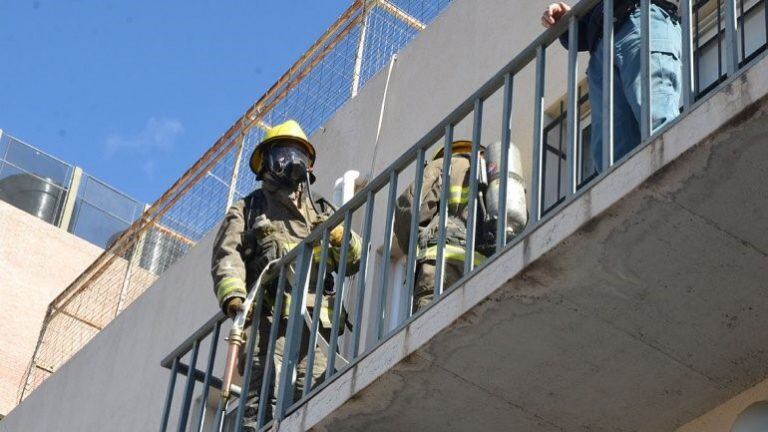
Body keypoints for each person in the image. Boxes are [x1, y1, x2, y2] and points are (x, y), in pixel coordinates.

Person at [211, 119, 362, 429]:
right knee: (263, 402)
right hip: (269, 321)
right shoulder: (249, 209)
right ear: (266, 162)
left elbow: (354, 259)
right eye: (284, 155)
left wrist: (337, 236)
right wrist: (234, 297)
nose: (293, 163)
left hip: (316, 325)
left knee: (319, 396)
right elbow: (227, 255)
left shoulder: (320, 209)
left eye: (299, 156)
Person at [541, 0, 682, 170]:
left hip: (640, 16)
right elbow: (582, 38)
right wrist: (568, 19)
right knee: (612, 157)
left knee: (658, 123)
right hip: (602, 47)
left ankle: (676, 173)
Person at [393, 140, 488, 313]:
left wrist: (412, 245)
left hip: (440, 265)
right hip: (483, 269)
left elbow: (409, 215)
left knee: (429, 328)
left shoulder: (442, 166)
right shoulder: (489, 172)